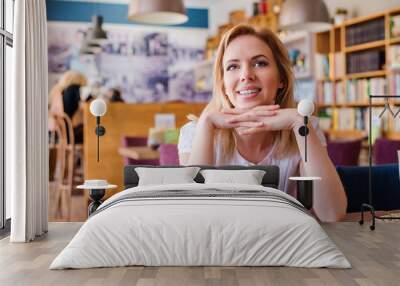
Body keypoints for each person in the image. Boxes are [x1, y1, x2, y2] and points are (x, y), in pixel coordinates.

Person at [178, 24, 347, 222]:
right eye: (233, 66)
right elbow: (191, 214)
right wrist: (206, 123)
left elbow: (332, 214)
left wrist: (300, 124)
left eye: (259, 63)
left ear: (281, 79)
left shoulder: (304, 128)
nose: (246, 75)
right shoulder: (194, 132)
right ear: (223, 84)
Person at [49, 70, 87, 144]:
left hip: (57, 132)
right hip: (68, 133)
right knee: (90, 129)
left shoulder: (59, 91)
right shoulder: (74, 88)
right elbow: (81, 105)